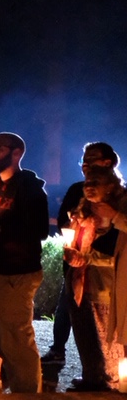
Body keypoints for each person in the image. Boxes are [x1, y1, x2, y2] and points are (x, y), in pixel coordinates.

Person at [0, 132, 49, 394]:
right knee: (1, 340)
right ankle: (17, 390)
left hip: (16, 272)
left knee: (17, 338)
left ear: (16, 153)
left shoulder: (30, 188)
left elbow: (38, 229)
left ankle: (28, 399)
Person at [45, 142, 119, 367]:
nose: (86, 164)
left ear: (108, 163)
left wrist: (112, 216)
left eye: (92, 158)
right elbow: (63, 222)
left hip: (107, 273)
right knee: (73, 312)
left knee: (106, 323)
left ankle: (109, 373)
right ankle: (69, 356)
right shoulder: (78, 191)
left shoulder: (120, 197)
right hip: (76, 265)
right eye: (83, 160)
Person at [63, 164, 126, 391]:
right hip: (80, 281)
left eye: (95, 183)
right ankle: (91, 378)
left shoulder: (119, 213)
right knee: (85, 334)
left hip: (106, 285)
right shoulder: (84, 210)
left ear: (110, 187)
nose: (88, 187)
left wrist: (88, 259)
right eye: (87, 183)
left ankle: (112, 383)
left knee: (106, 340)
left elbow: (118, 255)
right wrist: (71, 252)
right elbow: (77, 242)